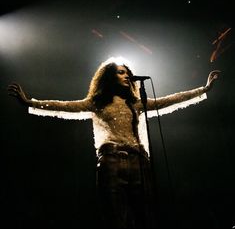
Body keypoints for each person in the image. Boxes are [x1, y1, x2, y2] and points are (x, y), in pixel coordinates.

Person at [8, 57, 220, 228]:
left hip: (139, 161)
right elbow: (63, 106)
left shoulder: (136, 103)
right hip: (111, 160)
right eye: (121, 72)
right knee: (116, 217)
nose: (127, 75)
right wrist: (30, 103)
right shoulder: (96, 103)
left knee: (144, 215)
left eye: (127, 72)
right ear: (108, 77)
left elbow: (171, 99)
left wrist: (204, 90)